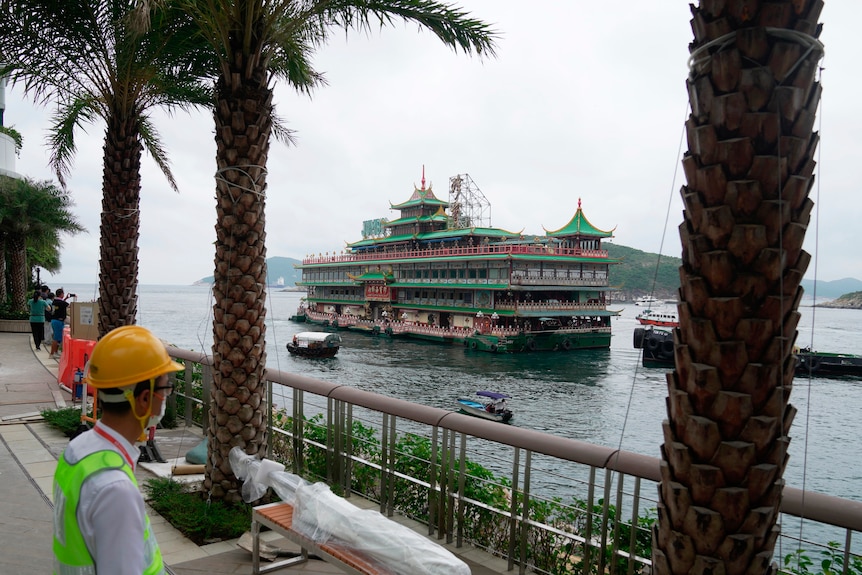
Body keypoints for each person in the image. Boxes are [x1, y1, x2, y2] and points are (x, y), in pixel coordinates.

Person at [52, 325, 184, 575]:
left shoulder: (77, 450)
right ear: (144, 399)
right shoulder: (115, 489)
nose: (166, 397)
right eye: (165, 389)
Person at [49, 288, 75, 359]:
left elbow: (61, 304)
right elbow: (69, 306)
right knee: (56, 338)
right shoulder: (61, 303)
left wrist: (66, 298)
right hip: (58, 321)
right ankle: (52, 353)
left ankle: (55, 352)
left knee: (58, 337)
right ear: (61, 294)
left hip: (55, 320)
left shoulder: (55, 301)